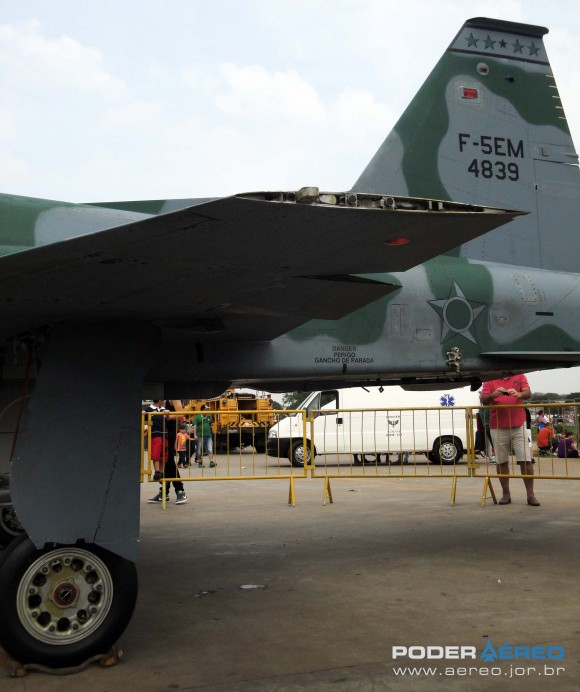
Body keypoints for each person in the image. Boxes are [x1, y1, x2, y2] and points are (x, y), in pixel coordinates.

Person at [480, 374, 539, 506]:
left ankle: (531, 494)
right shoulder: (489, 379)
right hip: (498, 426)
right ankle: (505, 493)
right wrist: (494, 395)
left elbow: (528, 393)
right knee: (501, 461)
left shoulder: (520, 375)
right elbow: (483, 399)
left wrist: (518, 394)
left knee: (525, 460)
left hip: (518, 425)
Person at [145, 399, 188, 504]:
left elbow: (180, 414)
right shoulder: (160, 396)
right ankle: (164, 491)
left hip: (169, 432)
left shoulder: (173, 398)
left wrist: (167, 417)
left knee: (168, 460)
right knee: (164, 460)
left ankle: (180, 490)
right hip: (159, 433)